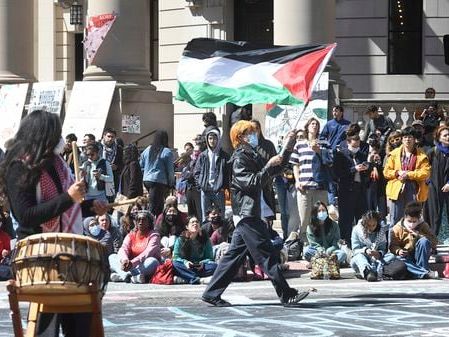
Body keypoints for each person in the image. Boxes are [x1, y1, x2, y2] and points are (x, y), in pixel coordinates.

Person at [0, 110, 108, 337]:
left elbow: (65, 206)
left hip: (70, 252)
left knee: (80, 324)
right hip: (40, 255)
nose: (60, 140)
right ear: (43, 135)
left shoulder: (57, 163)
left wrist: (88, 206)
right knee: (45, 328)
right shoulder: (19, 165)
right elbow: (26, 215)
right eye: (55, 133)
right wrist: (70, 197)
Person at [202, 120, 309, 307]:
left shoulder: (251, 154)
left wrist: (288, 146)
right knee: (266, 254)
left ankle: (211, 292)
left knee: (233, 257)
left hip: (251, 213)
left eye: (254, 132)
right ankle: (286, 293)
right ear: (240, 137)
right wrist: (268, 166)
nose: (254, 135)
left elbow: (276, 168)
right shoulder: (239, 159)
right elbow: (253, 182)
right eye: (249, 133)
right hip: (247, 215)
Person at [290, 117, 332, 243]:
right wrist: (297, 181)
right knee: (304, 219)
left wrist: (319, 151)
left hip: (320, 186)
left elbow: (330, 162)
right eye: (312, 124)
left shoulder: (324, 143)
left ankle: (320, 242)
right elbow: (295, 164)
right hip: (304, 187)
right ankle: (304, 244)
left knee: (321, 217)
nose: (314, 126)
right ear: (307, 126)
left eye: (317, 124)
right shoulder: (300, 144)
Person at [384, 127, 431, 226]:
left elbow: (425, 172)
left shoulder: (422, 155)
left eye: (410, 137)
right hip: (397, 187)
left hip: (414, 187)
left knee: (413, 218)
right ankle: (393, 241)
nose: (407, 139)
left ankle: (412, 241)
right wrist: (397, 173)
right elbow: (386, 172)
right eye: (405, 137)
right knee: (395, 219)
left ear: (414, 139)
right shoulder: (394, 154)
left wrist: (409, 174)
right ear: (402, 139)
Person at [333, 133, 370, 246]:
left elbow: (367, 174)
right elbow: (337, 173)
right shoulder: (341, 155)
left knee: (362, 217)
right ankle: (345, 241)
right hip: (346, 190)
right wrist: (354, 169)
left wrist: (367, 167)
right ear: (348, 143)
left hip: (360, 190)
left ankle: (362, 241)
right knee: (346, 219)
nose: (356, 147)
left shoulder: (361, 155)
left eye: (358, 144)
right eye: (354, 145)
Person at [351, 211, 407, 282]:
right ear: (364, 223)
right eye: (368, 225)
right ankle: (368, 272)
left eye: (373, 225)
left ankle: (376, 272)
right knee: (359, 257)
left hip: (377, 259)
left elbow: (383, 249)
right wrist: (365, 250)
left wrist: (379, 253)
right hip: (362, 259)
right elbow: (355, 250)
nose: (371, 228)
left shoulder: (381, 230)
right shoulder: (356, 230)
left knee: (391, 256)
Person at [109, 210, 161, 283]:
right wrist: (125, 260)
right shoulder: (131, 234)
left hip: (142, 265)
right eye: (138, 220)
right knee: (112, 257)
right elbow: (124, 248)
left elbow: (147, 253)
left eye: (144, 220)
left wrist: (132, 263)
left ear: (149, 223)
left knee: (153, 261)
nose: (140, 222)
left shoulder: (154, 236)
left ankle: (123, 276)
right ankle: (130, 277)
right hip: (129, 265)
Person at [390, 202, 439, 279]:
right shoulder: (397, 228)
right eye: (409, 221)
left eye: (414, 222)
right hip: (406, 258)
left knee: (424, 241)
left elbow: (434, 241)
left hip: (419, 257)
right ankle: (424, 273)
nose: (411, 225)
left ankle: (420, 271)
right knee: (396, 258)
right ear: (405, 217)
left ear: (418, 219)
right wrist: (398, 251)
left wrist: (419, 235)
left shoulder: (423, 225)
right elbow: (392, 246)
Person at [194, 127, 230, 221]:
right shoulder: (203, 155)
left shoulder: (224, 156)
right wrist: (201, 185)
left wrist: (223, 186)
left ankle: (219, 234)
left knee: (220, 216)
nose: (212, 141)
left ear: (218, 139)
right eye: (210, 138)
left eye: (214, 138)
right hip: (205, 190)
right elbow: (196, 172)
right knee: (205, 217)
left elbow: (228, 173)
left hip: (219, 190)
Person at [140, 130, 175, 217]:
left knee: (155, 202)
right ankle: (153, 223)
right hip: (159, 181)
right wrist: (171, 183)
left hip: (147, 180)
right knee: (156, 206)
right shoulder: (167, 151)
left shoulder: (147, 149)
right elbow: (170, 170)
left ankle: (156, 220)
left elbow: (141, 164)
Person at [172, 216, 217, 284]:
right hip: (186, 267)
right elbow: (175, 257)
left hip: (200, 267)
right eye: (192, 222)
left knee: (215, 266)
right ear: (187, 226)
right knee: (174, 264)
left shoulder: (205, 239)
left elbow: (210, 258)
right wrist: (185, 262)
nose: (195, 224)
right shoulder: (180, 239)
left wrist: (203, 263)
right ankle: (198, 280)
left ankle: (187, 278)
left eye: (197, 222)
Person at [424, 126, 449, 243]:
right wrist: (429, 183)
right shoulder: (432, 152)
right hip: (434, 190)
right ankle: (434, 239)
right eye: (445, 135)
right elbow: (424, 170)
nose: (448, 137)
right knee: (434, 215)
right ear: (439, 137)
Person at [304, 201, 347, 266]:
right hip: (318, 252)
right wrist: (321, 251)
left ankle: (319, 263)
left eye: (323, 210)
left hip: (331, 252)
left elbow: (336, 242)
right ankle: (331, 263)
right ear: (315, 214)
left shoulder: (334, 225)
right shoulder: (310, 227)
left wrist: (329, 251)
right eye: (319, 211)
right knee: (306, 251)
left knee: (342, 254)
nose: (322, 213)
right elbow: (314, 244)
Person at [79, 144, 114, 217]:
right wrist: (81, 175)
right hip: (88, 195)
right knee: (89, 218)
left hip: (101, 195)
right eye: (88, 155)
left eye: (92, 154)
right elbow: (79, 178)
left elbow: (111, 178)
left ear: (97, 152)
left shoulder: (105, 163)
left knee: (103, 216)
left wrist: (101, 176)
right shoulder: (86, 164)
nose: (90, 157)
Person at [180, 144, 202, 221]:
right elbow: (184, 175)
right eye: (195, 151)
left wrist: (190, 174)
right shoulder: (189, 161)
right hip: (189, 189)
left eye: (197, 151)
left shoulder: (202, 161)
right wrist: (190, 174)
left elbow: (194, 174)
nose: (195, 153)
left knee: (199, 212)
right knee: (190, 213)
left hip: (197, 189)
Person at [100, 128, 123, 201]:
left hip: (113, 178)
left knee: (111, 200)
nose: (110, 139)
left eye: (112, 137)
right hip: (100, 177)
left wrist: (116, 167)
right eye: (108, 136)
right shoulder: (98, 147)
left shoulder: (119, 149)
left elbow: (122, 163)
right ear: (104, 136)